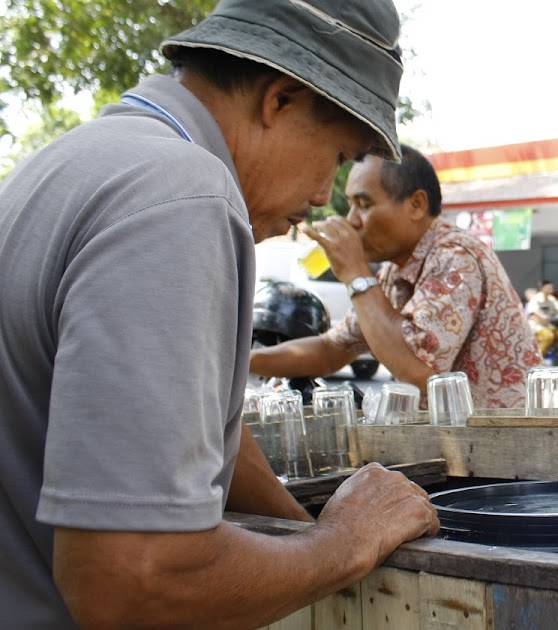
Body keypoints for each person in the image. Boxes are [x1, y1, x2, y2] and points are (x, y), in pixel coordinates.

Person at [0, 2, 441, 627]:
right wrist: (343, 545)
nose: (323, 196)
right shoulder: (182, 195)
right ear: (280, 98)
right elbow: (131, 582)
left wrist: (301, 523)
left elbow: (207, 435)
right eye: (339, 156)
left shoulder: (73, 161)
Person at [249, 149, 541, 409]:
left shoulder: (455, 256)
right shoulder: (392, 273)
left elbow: (417, 372)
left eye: (363, 204)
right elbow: (330, 350)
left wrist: (356, 274)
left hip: (501, 457)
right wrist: (237, 364)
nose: (352, 220)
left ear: (416, 204)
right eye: (350, 205)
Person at [528, 280, 558, 356]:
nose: (551, 290)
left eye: (552, 288)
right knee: (548, 336)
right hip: (537, 326)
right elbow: (533, 311)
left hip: (548, 325)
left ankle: (554, 355)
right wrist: (542, 316)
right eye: (548, 288)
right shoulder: (536, 299)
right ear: (542, 288)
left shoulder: (551, 299)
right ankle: (538, 357)